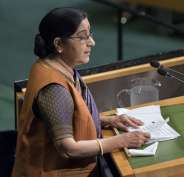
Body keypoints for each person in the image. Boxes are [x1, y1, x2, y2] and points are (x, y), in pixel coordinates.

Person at [12, 7, 150, 177]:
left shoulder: (51, 64)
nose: (91, 42)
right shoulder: (54, 89)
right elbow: (68, 148)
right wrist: (121, 140)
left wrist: (109, 120)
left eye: (90, 34)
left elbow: (68, 116)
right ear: (59, 44)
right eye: (82, 37)